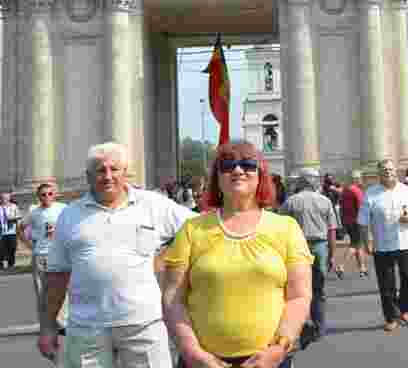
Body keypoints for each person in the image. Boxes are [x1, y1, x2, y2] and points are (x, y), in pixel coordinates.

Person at [39, 143, 196, 368]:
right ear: (88, 176)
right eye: (100, 170)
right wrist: (47, 327)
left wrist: (169, 259)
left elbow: (197, 229)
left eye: (115, 169)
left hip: (144, 324)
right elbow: (55, 277)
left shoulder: (153, 204)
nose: (108, 176)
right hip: (86, 328)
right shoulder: (69, 216)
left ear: (126, 173)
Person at [162, 140, 312, 368]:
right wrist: (192, 352)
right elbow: (173, 299)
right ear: (217, 177)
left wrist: (279, 349)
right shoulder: (192, 230)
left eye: (248, 165)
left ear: (260, 175)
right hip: (202, 362)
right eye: (227, 165)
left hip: (269, 361)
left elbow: (299, 297)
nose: (238, 170)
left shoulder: (287, 228)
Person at [358, 159, 408, 331]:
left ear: (396, 172)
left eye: (390, 169)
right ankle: (390, 317)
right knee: (386, 284)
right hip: (382, 244)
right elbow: (363, 221)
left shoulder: (406, 190)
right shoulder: (371, 193)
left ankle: (404, 305)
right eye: (384, 170)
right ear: (379, 174)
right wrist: (366, 242)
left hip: (404, 241)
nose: (388, 172)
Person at [280, 168, 340, 343]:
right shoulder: (325, 201)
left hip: (297, 247)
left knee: (296, 290)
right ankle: (320, 327)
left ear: (301, 182)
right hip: (320, 246)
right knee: (318, 288)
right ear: (313, 181)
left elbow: (280, 229)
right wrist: (332, 255)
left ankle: (299, 326)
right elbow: (332, 231)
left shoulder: (290, 202)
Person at [20, 182, 69, 342]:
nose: (46, 197)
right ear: (38, 197)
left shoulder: (63, 208)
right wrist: (29, 245)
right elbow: (20, 228)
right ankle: (46, 326)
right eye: (43, 194)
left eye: (49, 193)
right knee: (42, 292)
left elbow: (72, 226)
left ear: (55, 195)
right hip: (40, 255)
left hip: (59, 255)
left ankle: (62, 323)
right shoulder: (34, 212)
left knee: (62, 290)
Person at [339, 171, 368, 278]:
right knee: (354, 245)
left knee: (357, 244)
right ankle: (341, 265)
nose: (361, 180)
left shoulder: (345, 191)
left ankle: (362, 268)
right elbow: (362, 208)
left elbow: (341, 207)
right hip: (357, 221)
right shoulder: (357, 191)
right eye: (360, 178)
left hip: (347, 222)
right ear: (356, 179)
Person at [0, 191, 21, 269]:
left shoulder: (14, 206)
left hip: (11, 231)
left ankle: (11, 264)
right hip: (1, 232)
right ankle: (1, 264)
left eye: (6, 198)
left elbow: (19, 216)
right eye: (2, 198)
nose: (4, 199)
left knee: (12, 248)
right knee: (1, 249)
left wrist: (13, 219)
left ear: (9, 198)